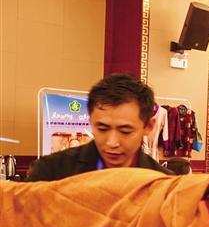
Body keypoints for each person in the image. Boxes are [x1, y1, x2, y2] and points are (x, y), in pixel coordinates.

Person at [27, 74, 172, 181]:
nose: (112, 142)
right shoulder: (51, 171)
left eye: (125, 131)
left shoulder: (162, 182)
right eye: (102, 129)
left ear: (148, 126)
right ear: (91, 121)